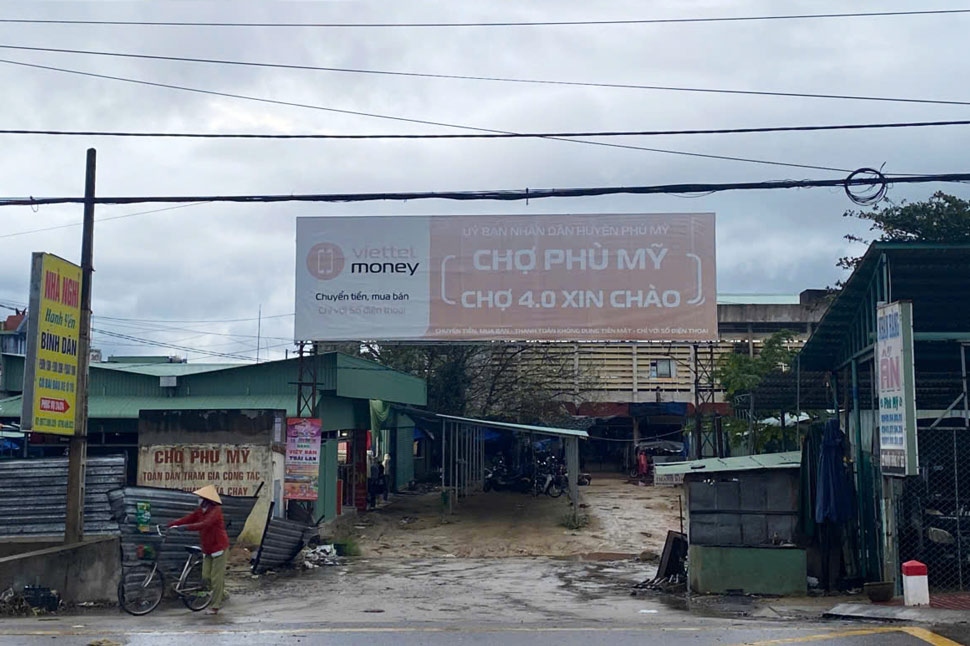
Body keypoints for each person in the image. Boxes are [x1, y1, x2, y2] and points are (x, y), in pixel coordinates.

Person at [168, 485, 229, 615]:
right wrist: (173, 523)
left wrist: (185, 528)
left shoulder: (215, 511)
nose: (199, 500)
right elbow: (188, 518)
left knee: (216, 578)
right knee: (206, 577)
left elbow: (204, 524)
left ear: (208, 499)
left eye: (201, 498)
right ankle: (222, 594)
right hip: (207, 548)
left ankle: (215, 606)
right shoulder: (201, 511)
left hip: (219, 547)